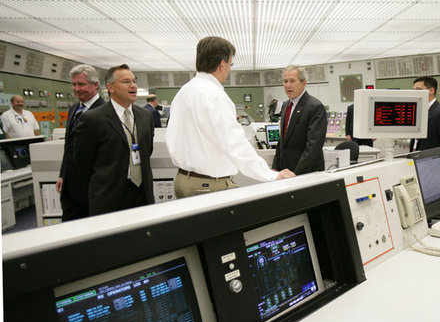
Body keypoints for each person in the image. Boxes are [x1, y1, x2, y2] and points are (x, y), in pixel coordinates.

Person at [165, 36, 294, 198]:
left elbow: (172, 136)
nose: (229, 69)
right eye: (230, 64)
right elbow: (234, 143)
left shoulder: (183, 92)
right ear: (222, 64)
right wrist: (271, 175)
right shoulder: (214, 95)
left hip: (183, 181)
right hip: (208, 186)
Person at [73, 64, 155, 216]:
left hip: (142, 193)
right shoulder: (92, 119)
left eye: (134, 81)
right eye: (126, 82)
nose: (133, 86)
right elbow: (82, 163)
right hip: (109, 196)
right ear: (110, 88)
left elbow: (147, 150)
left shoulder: (145, 116)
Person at [56, 64, 105, 221]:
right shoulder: (74, 109)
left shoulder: (106, 111)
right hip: (71, 185)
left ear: (95, 84)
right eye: (74, 84)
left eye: (81, 84)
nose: (76, 89)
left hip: (93, 186)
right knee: (70, 231)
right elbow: (69, 146)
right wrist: (63, 174)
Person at [272, 65, 327, 175]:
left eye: (292, 81)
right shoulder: (285, 105)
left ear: (304, 83)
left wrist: (296, 174)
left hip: (306, 173)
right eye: (285, 81)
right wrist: (275, 167)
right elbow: (282, 141)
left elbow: (313, 147)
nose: (288, 85)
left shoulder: (315, 107)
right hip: (286, 172)